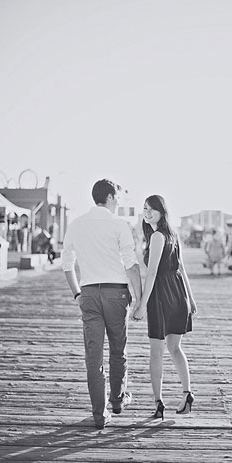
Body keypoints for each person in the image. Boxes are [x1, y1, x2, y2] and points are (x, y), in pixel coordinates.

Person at [62, 179, 142, 429]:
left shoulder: (76, 224)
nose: (118, 202)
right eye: (117, 197)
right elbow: (131, 263)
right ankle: (117, 400)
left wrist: (77, 294)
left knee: (93, 357)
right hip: (116, 294)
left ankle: (100, 414)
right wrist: (140, 299)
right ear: (109, 197)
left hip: (88, 294)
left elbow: (67, 264)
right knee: (119, 350)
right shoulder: (119, 224)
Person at [133, 195, 197, 420]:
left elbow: (151, 273)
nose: (147, 212)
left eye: (151, 209)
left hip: (161, 295)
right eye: (144, 208)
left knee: (156, 352)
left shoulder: (158, 237)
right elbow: (181, 267)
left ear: (162, 211)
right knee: (174, 348)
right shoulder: (171, 234)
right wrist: (189, 298)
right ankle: (187, 394)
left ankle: (159, 403)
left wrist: (141, 305)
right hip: (177, 293)